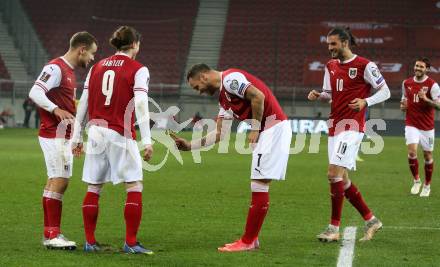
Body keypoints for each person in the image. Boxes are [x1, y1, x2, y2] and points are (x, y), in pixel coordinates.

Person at [171, 63, 292, 252]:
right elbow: (220, 134)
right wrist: (189, 146)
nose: (199, 92)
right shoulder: (223, 99)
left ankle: (248, 241)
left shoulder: (230, 79)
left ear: (203, 77)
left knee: (259, 184)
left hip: (272, 128)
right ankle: (252, 238)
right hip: (268, 130)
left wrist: (254, 127)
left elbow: (257, 96)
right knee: (258, 183)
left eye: (197, 87)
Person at [71, 26, 154, 254]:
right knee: (134, 184)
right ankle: (131, 242)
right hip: (120, 131)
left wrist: (77, 136)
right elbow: (140, 104)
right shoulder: (138, 69)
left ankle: (89, 242)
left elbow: (84, 103)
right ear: (135, 44)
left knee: (94, 186)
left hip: (96, 131)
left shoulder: (96, 67)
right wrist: (147, 139)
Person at [307, 27, 390, 242]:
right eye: (328, 44)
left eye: (333, 44)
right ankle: (371, 220)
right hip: (335, 126)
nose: (330, 48)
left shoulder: (365, 65)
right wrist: (319, 95)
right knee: (342, 180)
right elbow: (329, 93)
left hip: (353, 127)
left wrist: (366, 101)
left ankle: (333, 228)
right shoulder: (330, 65)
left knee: (332, 174)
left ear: (345, 42)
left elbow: (385, 91)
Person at [28, 31, 97, 249]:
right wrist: (54, 108)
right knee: (60, 180)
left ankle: (51, 234)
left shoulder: (68, 71)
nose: (92, 59)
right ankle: (52, 236)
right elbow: (35, 92)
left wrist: (76, 137)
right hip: (54, 134)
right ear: (82, 49)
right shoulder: (55, 68)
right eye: (92, 54)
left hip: (63, 135)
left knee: (55, 181)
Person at [400, 57, 440, 197]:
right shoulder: (407, 83)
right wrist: (403, 106)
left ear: (427, 69)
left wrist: (426, 99)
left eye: (421, 67)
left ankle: (427, 185)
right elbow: (404, 100)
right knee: (412, 152)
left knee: (428, 155)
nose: (418, 68)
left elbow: (438, 106)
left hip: (427, 127)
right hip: (411, 124)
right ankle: (416, 180)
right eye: (417, 66)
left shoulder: (432, 85)